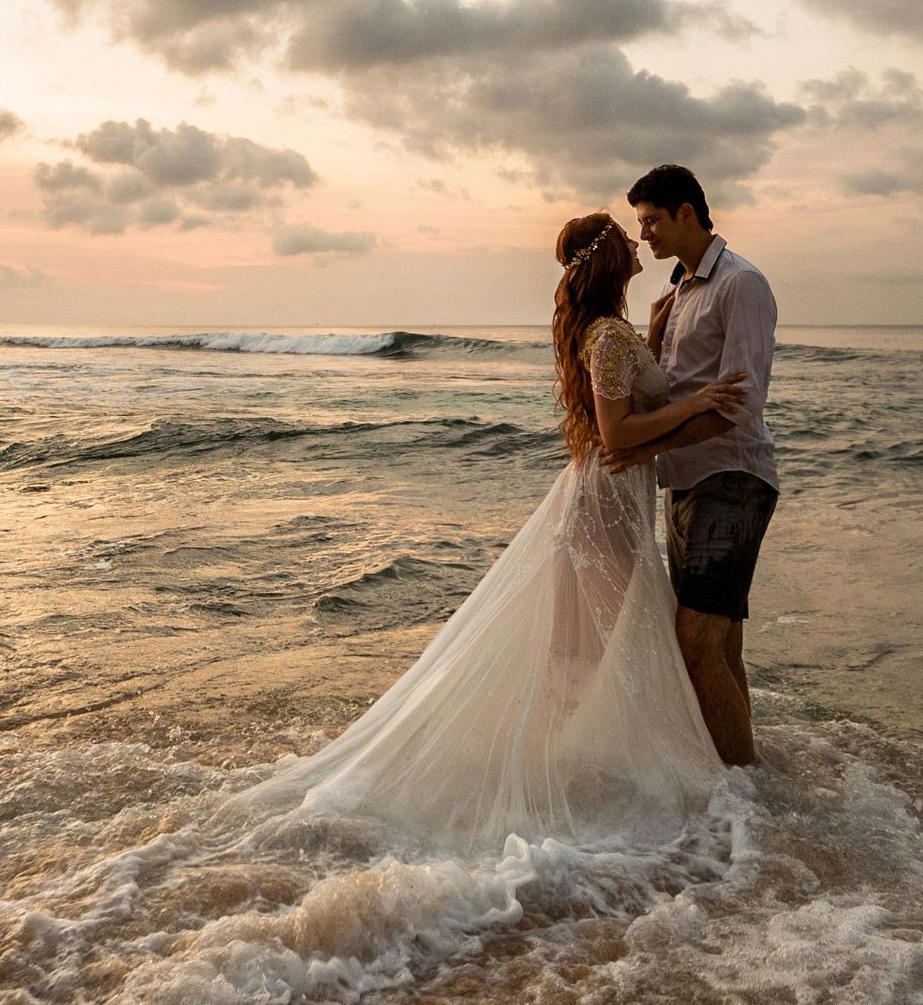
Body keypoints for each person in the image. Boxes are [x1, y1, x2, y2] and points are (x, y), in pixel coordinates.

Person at [234, 211, 748, 849]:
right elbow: (617, 434)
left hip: (604, 497)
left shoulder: (606, 332)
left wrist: (652, 335)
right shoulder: (607, 336)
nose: (638, 245)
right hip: (608, 501)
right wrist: (693, 403)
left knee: (595, 643)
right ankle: (596, 774)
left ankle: (571, 761)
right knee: (618, 639)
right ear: (613, 260)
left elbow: (617, 403)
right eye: (626, 237)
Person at [607, 165, 778, 767]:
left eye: (651, 220)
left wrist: (640, 448)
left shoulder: (741, 284)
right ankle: (747, 781)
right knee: (721, 646)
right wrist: (650, 345)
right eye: (640, 224)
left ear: (687, 213)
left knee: (695, 643)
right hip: (684, 482)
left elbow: (741, 404)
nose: (645, 234)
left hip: (731, 477)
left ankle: (739, 792)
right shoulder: (677, 291)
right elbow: (670, 392)